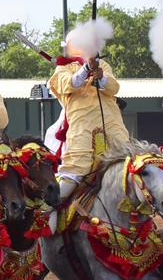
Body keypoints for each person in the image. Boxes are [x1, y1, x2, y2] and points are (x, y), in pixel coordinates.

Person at [48, 30, 129, 207]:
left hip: (111, 123)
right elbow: (69, 84)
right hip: (81, 126)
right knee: (75, 169)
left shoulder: (103, 65)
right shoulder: (62, 68)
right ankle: (48, 215)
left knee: (126, 160)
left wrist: (101, 78)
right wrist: (86, 69)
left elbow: (114, 87)